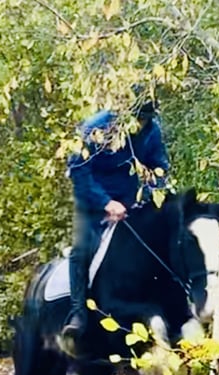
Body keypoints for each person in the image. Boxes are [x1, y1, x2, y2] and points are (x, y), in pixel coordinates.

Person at [60, 91, 170, 350]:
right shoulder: (95, 127)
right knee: (81, 250)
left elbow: (159, 168)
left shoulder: (153, 130)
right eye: (138, 119)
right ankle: (77, 313)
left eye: (146, 119)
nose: (142, 125)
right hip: (93, 203)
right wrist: (106, 203)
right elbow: (79, 172)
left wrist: (152, 195)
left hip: (132, 202)